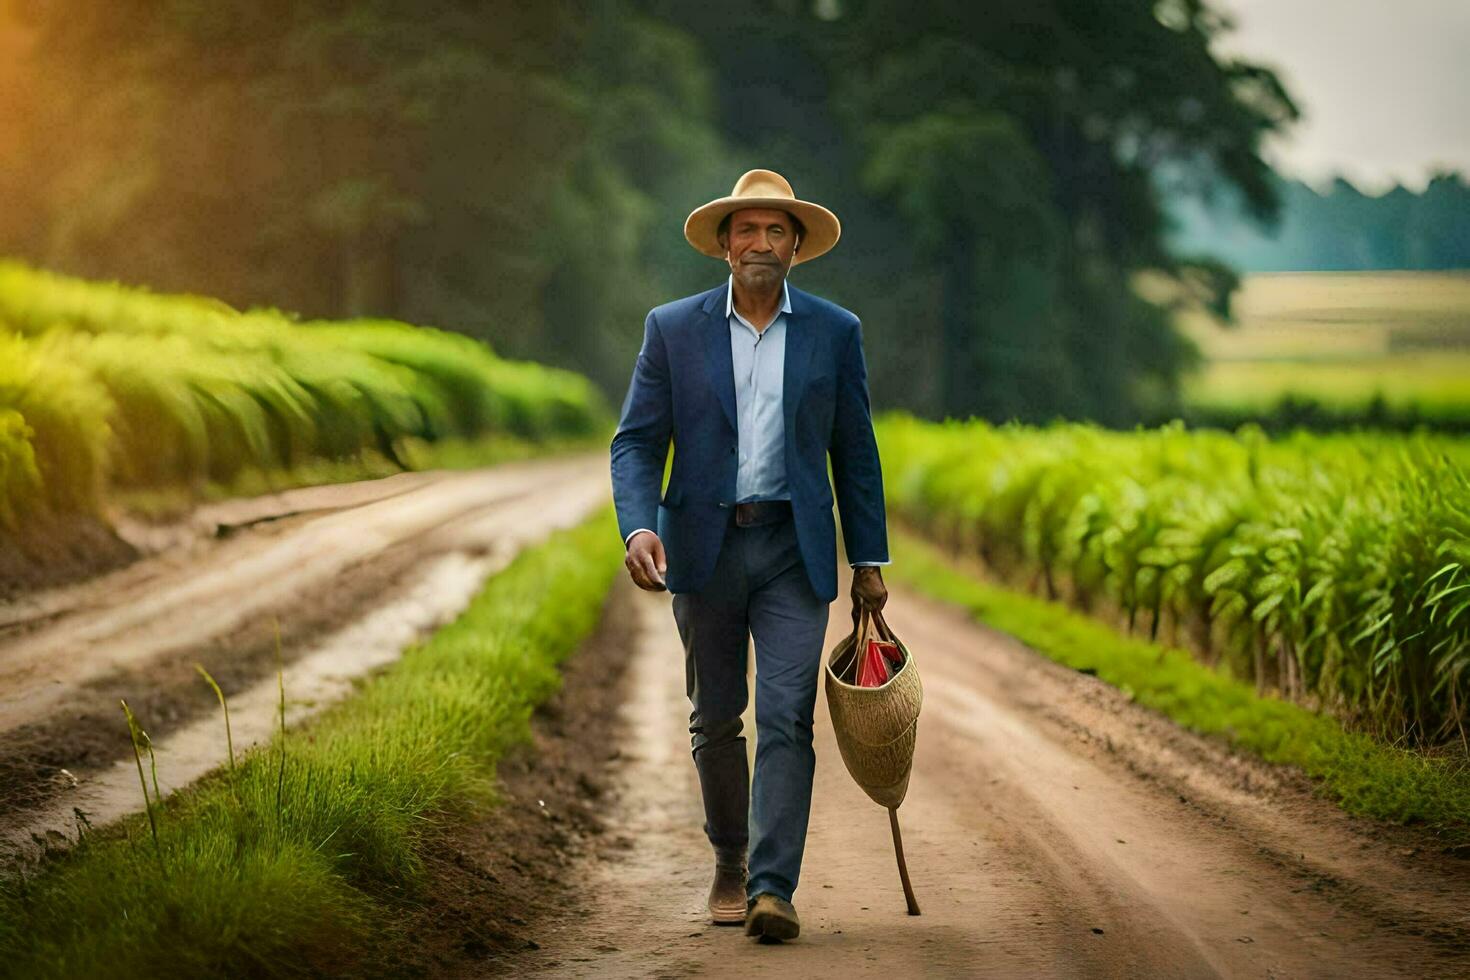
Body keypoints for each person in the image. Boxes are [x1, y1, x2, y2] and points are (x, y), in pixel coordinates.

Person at [609, 169, 889, 943]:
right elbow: (636, 442)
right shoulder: (672, 328)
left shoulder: (836, 332)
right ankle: (730, 858)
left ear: (797, 247)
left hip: (792, 550)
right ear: (723, 245)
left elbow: (855, 452)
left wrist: (868, 561)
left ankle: (772, 886)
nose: (759, 243)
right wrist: (637, 528)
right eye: (747, 230)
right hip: (704, 545)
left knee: (785, 716)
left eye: (775, 231)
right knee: (717, 715)